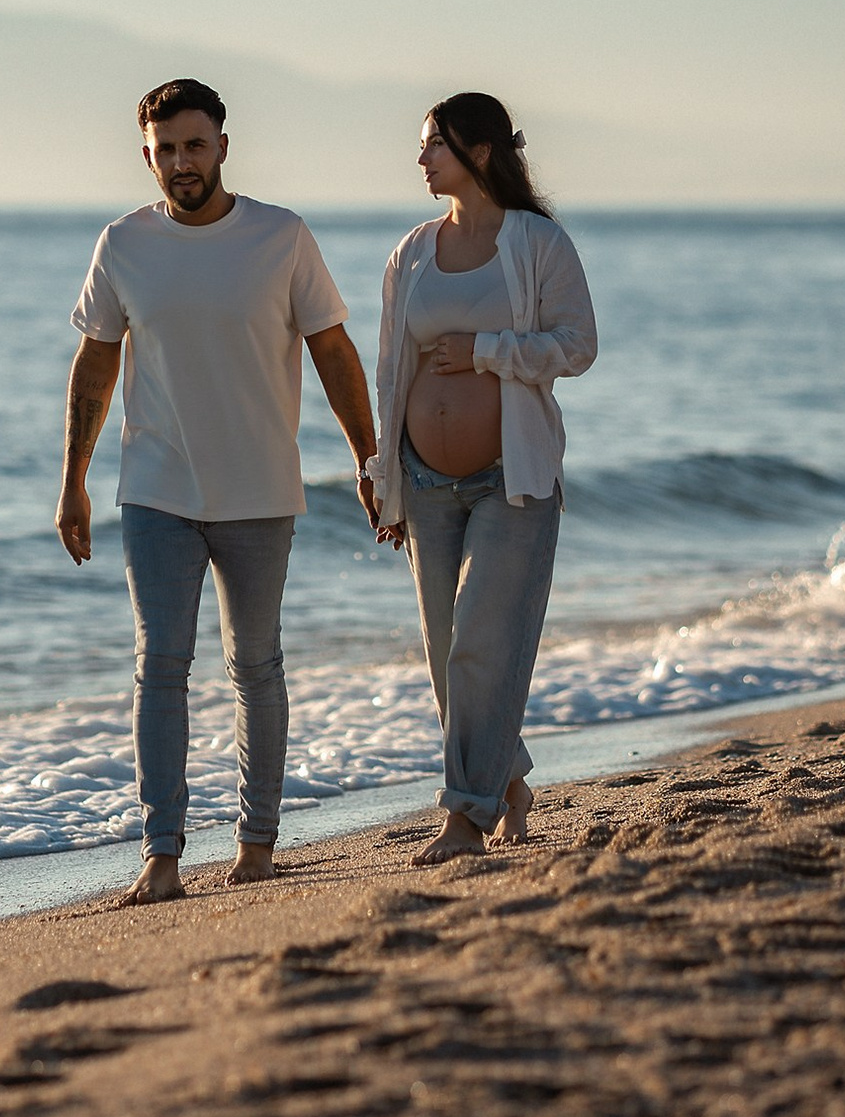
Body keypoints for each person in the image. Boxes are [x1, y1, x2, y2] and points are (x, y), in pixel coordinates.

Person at [58, 78, 383, 905]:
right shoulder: (123, 243)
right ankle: (161, 854)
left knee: (255, 664)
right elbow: (95, 362)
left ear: (223, 148)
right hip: (157, 488)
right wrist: (74, 481)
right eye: (165, 149)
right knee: (158, 665)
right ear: (147, 155)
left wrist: (368, 457)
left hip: (260, 488)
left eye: (194, 145)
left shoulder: (281, 237)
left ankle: (258, 842)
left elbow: (334, 351)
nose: (180, 162)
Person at [366, 93, 597, 865]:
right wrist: (383, 471)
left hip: (512, 477)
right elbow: (391, 372)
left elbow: (578, 344)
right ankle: (506, 782)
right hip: (425, 480)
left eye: (434, 144)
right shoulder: (412, 251)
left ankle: (464, 819)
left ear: (482, 153)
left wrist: (488, 349)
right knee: (446, 659)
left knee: (481, 647)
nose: (422, 158)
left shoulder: (537, 244)